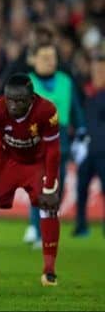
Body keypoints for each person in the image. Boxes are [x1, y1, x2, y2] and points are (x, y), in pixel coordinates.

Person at [0, 73, 61, 287]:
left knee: (49, 205)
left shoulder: (47, 111)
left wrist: (50, 185)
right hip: (7, 160)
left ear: (31, 99)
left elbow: (53, 151)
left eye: (20, 101)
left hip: (37, 163)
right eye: (10, 99)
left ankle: (49, 271)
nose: (13, 105)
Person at [24, 26, 86, 248]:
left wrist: (82, 132)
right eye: (45, 57)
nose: (50, 61)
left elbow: (76, 110)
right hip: (35, 141)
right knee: (39, 187)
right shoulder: (27, 82)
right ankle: (38, 230)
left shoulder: (66, 81)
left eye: (52, 57)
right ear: (34, 60)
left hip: (61, 142)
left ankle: (43, 228)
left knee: (56, 189)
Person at [73, 51, 105, 237]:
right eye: (95, 69)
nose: (98, 73)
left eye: (101, 69)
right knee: (81, 189)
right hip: (86, 150)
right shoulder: (86, 91)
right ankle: (81, 226)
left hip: (103, 150)